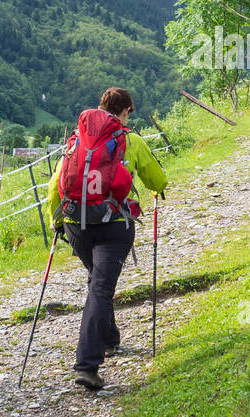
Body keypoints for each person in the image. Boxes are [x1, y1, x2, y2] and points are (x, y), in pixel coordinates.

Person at [46, 87, 167, 392]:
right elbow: (158, 180)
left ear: (101, 107)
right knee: (100, 287)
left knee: (98, 282)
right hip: (113, 224)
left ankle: (110, 339)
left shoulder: (77, 139)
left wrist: (56, 222)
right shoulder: (130, 140)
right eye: (129, 112)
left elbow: (54, 187)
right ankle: (87, 365)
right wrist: (156, 185)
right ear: (126, 111)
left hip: (76, 224)